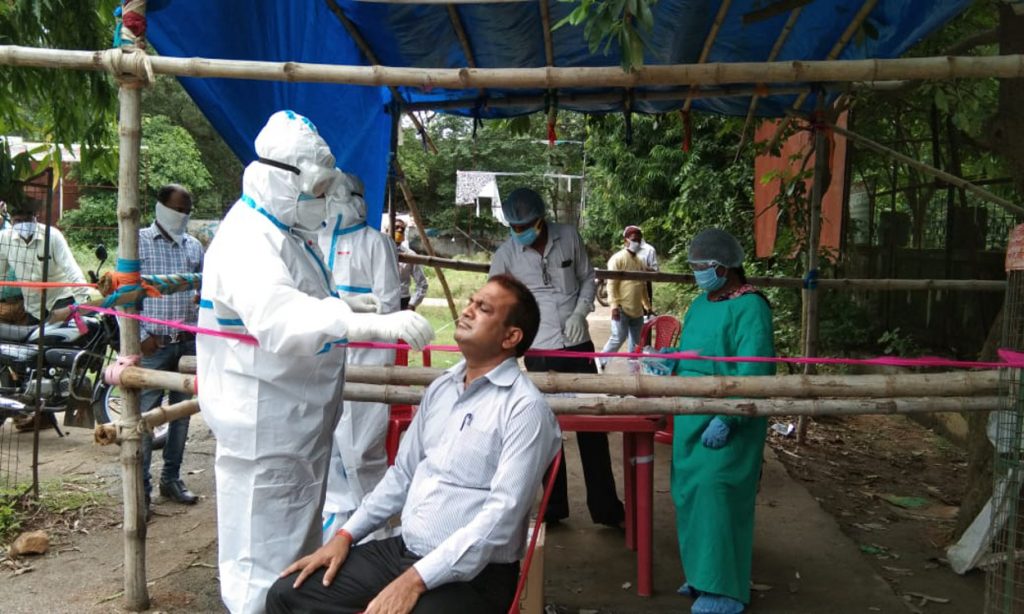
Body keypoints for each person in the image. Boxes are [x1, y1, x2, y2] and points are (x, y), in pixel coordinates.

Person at [197, 110, 434, 614]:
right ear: (285, 179)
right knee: (263, 563)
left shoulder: (286, 233)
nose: (325, 202)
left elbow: (308, 297)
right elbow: (279, 316)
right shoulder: (248, 239)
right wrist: (367, 324)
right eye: (319, 189)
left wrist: (350, 307)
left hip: (294, 427)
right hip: (266, 428)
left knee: (293, 557)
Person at [266, 274, 560, 614]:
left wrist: (415, 580)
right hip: (404, 551)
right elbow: (401, 476)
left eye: (483, 308)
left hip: (476, 574)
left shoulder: (524, 408)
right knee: (288, 593)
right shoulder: (442, 388)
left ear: (511, 337)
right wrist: (345, 536)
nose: (467, 310)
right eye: (470, 302)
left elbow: (502, 517)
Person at [489, 187, 624, 528]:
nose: (520, 232)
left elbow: (587, 278)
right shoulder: (506, 255)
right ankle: (553, 506)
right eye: (514, 227)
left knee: (593, 424)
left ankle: (607, 508)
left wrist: (580, 312)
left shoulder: (568, 237)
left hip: (578, 345)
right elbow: (496, 299)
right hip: (538, 350)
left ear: (541, 220)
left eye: (526, 226)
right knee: (546, 429)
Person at [670, 228, 774, 614]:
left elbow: (756, 370)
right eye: (694, 266)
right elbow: (690, 353)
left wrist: (730, 417)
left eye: (702, 265)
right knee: (690, 497)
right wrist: (668, 363)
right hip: (689, 419)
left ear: (724, 267)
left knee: (719, 497)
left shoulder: (751, 308)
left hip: (729, 421)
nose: (697, 272)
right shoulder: (700, 304)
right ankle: (701, 575)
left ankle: (725, 589)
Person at [318, 172, 402, 541]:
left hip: (365, 362)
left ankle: (372, 529)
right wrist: (341, 306)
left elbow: (389, 304)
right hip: (321, 358)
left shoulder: (375, 243)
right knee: (326, 445)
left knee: (362, 450)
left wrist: (355, 314)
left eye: (340, 193)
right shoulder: (314, 240)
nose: (333, 200)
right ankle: (335, 523)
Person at [138, 184, 204, 518]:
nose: (183, 215)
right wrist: (141, 335)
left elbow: (203, 289)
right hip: (154, 344)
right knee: (144, 418)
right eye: (178, 209)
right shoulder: (139, 242)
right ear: (161, 207)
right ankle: (141, 488)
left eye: (187, 210)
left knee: (181, 414)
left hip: (186, 344)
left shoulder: (194, 246)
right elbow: (124, 294)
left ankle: (171, 478)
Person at [0, 195, 90, 324]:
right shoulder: (4, 239)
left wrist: (83, 302)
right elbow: (1, 272)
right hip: (33, 306)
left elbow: (71, 269)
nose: (23, 225)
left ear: (35, 217)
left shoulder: (52, 236)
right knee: (31, 336)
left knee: (57, 333)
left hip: (60, 298)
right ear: (11, 220)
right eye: (18, 221)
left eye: (27, 220)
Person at [599, 225, 651, 370]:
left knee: (635, 343)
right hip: (621, 309)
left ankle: (632, 368)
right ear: (626, 241)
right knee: (618, 337)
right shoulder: (617, 259)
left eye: (639, 240)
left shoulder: (641, 261)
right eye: (634, 239)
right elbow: (611, 285)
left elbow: (643, 287)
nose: (637, 243)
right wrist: (614, 307)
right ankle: (601, 361)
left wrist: (647, 306)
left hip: (637, 311)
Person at [392, 218, 428, 311]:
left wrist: (412, 304)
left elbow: (422, 283)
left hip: (403, 302)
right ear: (387, 231)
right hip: (382, 301)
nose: (400, 230)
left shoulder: (410, 255)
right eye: (396, 227)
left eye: (402, 229)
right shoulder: (380, 252)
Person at [624, 224, 659, 315]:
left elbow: (655, 271)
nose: (635, 242)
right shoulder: (624, 251)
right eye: (631, 239)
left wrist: (641, 268)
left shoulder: (649, 250)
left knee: (645, 316)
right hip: (626, 288)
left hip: (644, 286)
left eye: (636, 239)